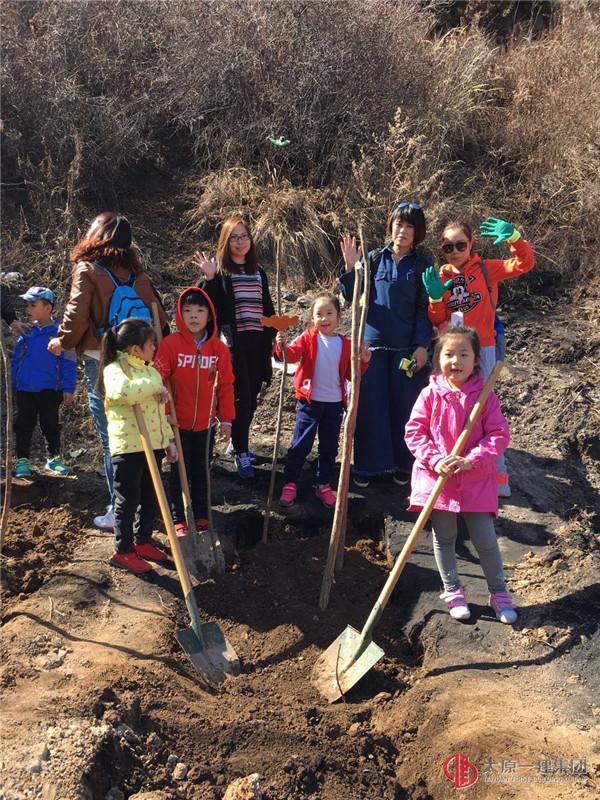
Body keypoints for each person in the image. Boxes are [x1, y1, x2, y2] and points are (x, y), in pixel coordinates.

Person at [48, 213, 168, 531]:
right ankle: (143, 507)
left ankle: (119, 509)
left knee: (113, 437)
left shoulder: (87, 269)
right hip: (139, 361)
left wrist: (62, 341)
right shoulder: (137, 273)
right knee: (140, 434)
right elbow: (160, 318)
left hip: (101, 359)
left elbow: (76, 315)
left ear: (96, 235)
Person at [405, 325, 517, 624]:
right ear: (437, 358)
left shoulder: (485, 396)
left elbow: (498, 434)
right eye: (449, 354)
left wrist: (472, 460)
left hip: (475, 479)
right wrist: (435, 459)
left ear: (476, 359)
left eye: (464, 354)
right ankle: (453, 589)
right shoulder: (430, 394)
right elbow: (415, 432)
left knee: (485, 540)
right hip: (438, 479)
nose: (456, 361)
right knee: (444, 536)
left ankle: (499, 592)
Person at [421, 216, 535, 496]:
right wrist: (435, 298)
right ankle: (451, 468)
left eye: (461, 245)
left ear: (471, 244)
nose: (455, 251)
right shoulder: (441, 276)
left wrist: (515, 238)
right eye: (448, 247)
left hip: (483, 346)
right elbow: (437, 319)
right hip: (452, 351)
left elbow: (524, 264)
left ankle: (496, 472)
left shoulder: (485, 269)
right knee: (450, 407)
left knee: (484, 406)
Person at [340, 201, 432, 488]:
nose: (402, 230)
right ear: (390, 226)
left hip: (406, 348)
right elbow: (351, 295)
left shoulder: (422, 265)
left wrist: (421, 346)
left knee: (406, 406)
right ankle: (367, 466)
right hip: (373, 347)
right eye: (398, 224)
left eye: (409, 226)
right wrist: (350, 267)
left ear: (417, 233)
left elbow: (424, 309)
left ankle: (404, 465)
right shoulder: (374, 258)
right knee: (370, 404)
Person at [193, 215, 275, 478]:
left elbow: (267, 308)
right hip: (234, 347)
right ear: (225, 243)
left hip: (258, 343)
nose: (240, 242)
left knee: (253, 396)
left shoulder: (258, 272)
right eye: (234, 238)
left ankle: (237, 441)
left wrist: (276, 331)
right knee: (242, 398)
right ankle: (241, 452)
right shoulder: (222, 274)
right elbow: (205, 306)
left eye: (244, 236)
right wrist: (209, 278)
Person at [275, 292, 371, 508]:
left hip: (334, 404)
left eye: (329, 313)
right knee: (301, 444)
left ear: (339, 316)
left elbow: (351, 374)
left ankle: (324, 484)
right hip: (309, 403)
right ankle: (290, 482)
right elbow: (290, 355)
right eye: (319, 314)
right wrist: (281, 346)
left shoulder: (345, 344)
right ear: (312, 317)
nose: (324, 318)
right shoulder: (308, 337)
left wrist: (363, 362)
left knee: (329, 447)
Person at [98, 318, 177, 574]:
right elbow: (123, 393)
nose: (155, 348)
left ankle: (143, 541)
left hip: (152, 445)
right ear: (135, 349)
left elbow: (159, 413)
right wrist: (154, 386)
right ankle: (123, 550)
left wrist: (168, 441)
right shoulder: (115, 370)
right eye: (151, 344)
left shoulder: (150, 371)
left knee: (150, 496)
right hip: (128, 447)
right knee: (128, 500)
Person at [154, 287, 235, 536]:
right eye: (188, 310)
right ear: (180, 314)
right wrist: (165, 416)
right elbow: (158, 381)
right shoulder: (170, 345)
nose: (193, 316)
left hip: (206, 424)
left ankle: (201, 516)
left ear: (209, 316)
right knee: (179, 471)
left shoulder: (218, 349)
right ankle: (179, 517)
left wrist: (226, 420)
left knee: (201, 471)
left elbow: (226, 385)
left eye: (200, 311)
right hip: (177, 423)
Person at [11, 286, 76, 477]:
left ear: (48, 308)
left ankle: (53, 459)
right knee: (23, 424)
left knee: (50, 424)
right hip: (25, 389)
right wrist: (13, 384)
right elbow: (17, 360)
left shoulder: (60, 334)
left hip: (50, 389)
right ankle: (22, 461)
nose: (28, 309)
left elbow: (68, 362)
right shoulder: (26, 333)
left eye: (33, 305)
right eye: (27, 305)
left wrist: (69, 387)